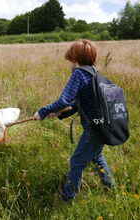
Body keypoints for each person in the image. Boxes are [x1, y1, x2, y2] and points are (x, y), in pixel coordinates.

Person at [34, 39, 115, 202]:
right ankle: (110, 188)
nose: (69, 63)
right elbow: (79, 104)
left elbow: (64, 100)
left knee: (77, 161)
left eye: (69, 60)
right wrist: (59, 114)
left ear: (74, 59)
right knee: (97, 156)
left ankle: (67, 198)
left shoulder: (79, 73)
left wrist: (43, 111)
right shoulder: (93, 72)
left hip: (94, 129)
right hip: (105, 125)